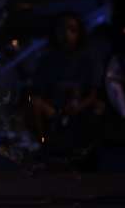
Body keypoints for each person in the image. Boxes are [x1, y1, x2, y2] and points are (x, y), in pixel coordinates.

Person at [27, 13, 102, 149]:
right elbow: (37, 92)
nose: (66, 35)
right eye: (62, 30)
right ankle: (44, 144)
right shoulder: (47, 60)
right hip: (54, 108)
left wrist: (78, 107)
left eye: (72, 30)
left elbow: (93, 94)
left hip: (80, 107)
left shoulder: (89, 59)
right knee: (33, 103)